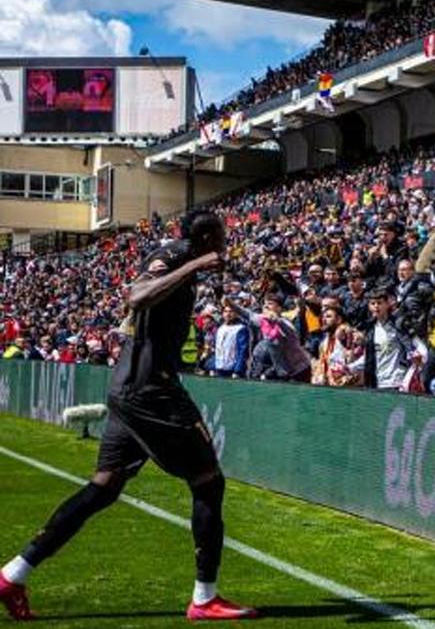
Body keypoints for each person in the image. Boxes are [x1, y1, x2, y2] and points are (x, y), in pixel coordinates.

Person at [0, 211, 256, 620]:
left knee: (103, 488)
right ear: (207, 238)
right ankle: (205, 598)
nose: (225, 243)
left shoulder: (177, 257)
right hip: (151, 392)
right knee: (209, 482)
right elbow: (136, 296)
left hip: (129, 389)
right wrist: (195, 265)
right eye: (221, 236)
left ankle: (12, 575)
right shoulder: (176, 257)